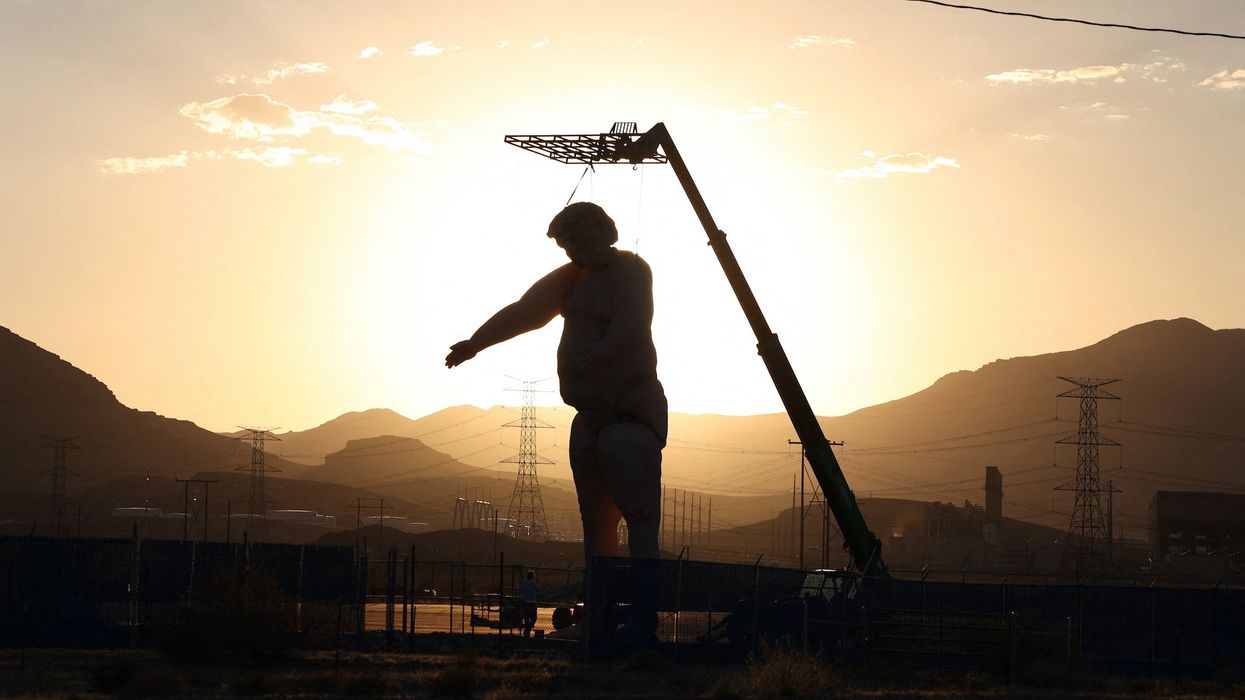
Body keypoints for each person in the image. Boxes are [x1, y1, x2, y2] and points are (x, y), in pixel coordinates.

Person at [446, 202, 665, 641]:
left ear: (600, 233)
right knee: (596, 524)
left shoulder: (632, 270)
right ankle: (600, 618)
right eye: (565, 247)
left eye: (574, 243)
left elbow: (632, 324)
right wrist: (476, 343)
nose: (570, 253)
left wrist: (601, 354)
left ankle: (643, 618)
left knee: (639, 518)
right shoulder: (573, 277)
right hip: (589, 419)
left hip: (630, 417)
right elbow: (525, 311)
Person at [520, 569, 540, 637]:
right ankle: (528, 629)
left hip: (525, 602)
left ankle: (527, 630)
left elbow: (521, 591)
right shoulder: (533, 583)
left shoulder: (523, 582)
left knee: (526, 617)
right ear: (532, 576)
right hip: (532, 602)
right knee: (534, 617)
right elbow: (538, 590)